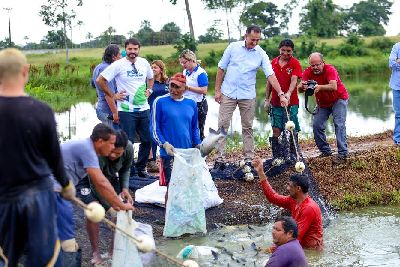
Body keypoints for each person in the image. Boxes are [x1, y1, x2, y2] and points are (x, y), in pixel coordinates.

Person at [0, 48, 74, 266]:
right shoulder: (41, 110)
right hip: (38, 195)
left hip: (3, 197)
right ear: (25, 71)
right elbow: (54, 157)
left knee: (4, 255)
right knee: (46, 258)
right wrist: (66, 184)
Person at [56, 123, 133, 265]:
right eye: (111, 145)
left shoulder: (91, 148)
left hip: (58, 189)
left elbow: (114, 176)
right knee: (66, 237)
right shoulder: (88, 150)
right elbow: (99, 183)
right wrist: (118, 205)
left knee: (63, 238)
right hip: (51, 190)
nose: (112, 150)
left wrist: (123, 191)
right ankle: (92, 254)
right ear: (99, 141)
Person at [215, 25, 288, 161]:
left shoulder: (261, 53)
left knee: (247, 127)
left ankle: (249, 157)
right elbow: (221, 68)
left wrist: (280, 94)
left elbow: (270, 75)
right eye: (252, 40)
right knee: (223, 125)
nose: (254, 43)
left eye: (257, 40)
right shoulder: (233, 47)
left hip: (247, 95)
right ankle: (220, 158)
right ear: (246, 36)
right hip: (228, 92)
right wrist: (217, 91)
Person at [97, 38, 154, 178]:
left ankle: (141, 168)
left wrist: (150, 90)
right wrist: (113, 95)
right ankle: (131, 171)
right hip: (126, 110)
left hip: (143, 108)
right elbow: (100, 80)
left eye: (135, 49)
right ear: (126, 49)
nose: (133, 52)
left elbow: (151, 78)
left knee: (148, 140)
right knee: (128, 142)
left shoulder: (144, 63)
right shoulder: (118, 65)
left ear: (139, 49)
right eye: (130, 49)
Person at [252, 157, 324, 250]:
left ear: (298, 188)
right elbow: (273, 197)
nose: (287, 188)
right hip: (300, 248)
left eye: (289, 185)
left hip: (311, 252)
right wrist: (260, 172)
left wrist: (271, 250)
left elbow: (295, 237)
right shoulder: (293, 200)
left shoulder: (309, 208)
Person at [150, 73, 201, 202]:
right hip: (169, 153)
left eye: (177, 87)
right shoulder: (160, 102)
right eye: (171, 86)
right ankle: (169, 219)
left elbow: (194, 127)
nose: (173, 90)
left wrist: (198, 144)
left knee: (187, 187)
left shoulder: (191, 103)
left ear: (185, 88)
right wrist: (164, 144)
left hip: (187, 153)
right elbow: (154, 128)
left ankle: (185, 217)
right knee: (171, 188)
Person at [298, 52, 349, 165]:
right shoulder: (307, 72)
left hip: (338, 99)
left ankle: (343, 153)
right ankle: (325, 151)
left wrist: (319, 87)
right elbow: (300, 89)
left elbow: (333, 86)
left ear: (323, 62)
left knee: (339, 124)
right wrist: (302, 86)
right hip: (323, 103)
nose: (315, 67)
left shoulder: (330, 69)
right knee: (317, 125)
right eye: (313, 65)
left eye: (318, 64)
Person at [265, 39, 302, 152]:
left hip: (291, 102)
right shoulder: (273, 63)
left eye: (289, 51)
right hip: (275, 102)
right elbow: (269, 83)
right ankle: (277, 156)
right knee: (276, 129)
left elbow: (294, 81)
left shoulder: (295, 63)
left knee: (291, 128)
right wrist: (267, 99)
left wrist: (288, 94)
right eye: (283, 50)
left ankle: (294, 154)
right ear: (279, 49)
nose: (285, 53)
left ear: (292, 51)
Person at [179, 49, 209, 140]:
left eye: (184, 63)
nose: (183, 65)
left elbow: (204, 90)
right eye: (181, 63)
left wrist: (187, 87)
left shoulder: (201, 73)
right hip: (186, 103)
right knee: (187, 128)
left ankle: (200, 151)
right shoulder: (185, 72)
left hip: (198, 104)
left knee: (199, 129)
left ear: (192, 60)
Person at [146, 60, 169, 172]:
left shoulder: (167, 82)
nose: (153, 69)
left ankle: (166, 158)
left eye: (155, 67)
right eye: (152, 67)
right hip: (151, 111)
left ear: (161, 69)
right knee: (152, 136)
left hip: (164, 112)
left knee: (165, 134)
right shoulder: (149, 82)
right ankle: (151, 160)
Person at [92, 44, 121, 129]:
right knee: (115, 138)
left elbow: (93, 85)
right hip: (108, 111)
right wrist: (115, 113)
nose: (121, 57)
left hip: (101, 108)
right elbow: (108, 94)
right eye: (119, 54)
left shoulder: (99, 67)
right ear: (113, 57)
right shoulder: (108, 69)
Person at [389, 42, 400, 145]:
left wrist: (398, 61)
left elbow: (395, 63)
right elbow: (391, 63)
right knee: (399, 114)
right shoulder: (397, 46)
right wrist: (395, 62)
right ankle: (397, 140)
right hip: (397, 86)